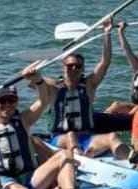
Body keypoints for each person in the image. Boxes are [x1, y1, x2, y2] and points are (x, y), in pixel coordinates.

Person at [45, 17, 130, 159]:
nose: (74, 69)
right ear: (63, 67)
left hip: (86, 137)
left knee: (112, 137)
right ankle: (80, 159)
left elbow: (105, 62)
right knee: (70, 135)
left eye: (78, 66)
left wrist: (107, 33)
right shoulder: (53, 87)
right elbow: (30, 80)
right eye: (70, 66)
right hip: (59, 139)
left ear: (83, 68)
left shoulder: (89, 85)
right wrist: (32, 71)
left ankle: (129, 162)